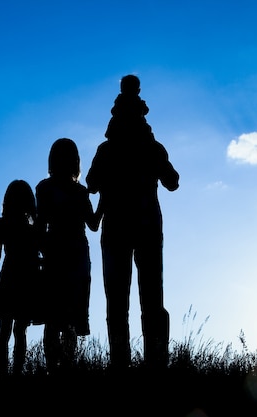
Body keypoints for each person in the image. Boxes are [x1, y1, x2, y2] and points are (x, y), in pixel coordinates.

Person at [85, 75, 180, 370]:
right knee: (151, 295)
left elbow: (91, 183)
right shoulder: (151, 147)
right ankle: (156, 361)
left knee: (117, 298)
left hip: (116, 226)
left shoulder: (107, 149)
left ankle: (121, 363)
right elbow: (173, 182)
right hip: (147, 223)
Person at [34, 138, 100, 374]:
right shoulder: (79, 191)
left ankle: (54, 367)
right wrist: (103, 199)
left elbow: (40, 226)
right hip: (75, 254)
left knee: (55, 316)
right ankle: (66, 367)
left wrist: (41, 253)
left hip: (56, 253)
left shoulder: (44, 188)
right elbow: (93, 224)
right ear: (76, 161)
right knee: (69, 315)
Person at [0, 179, 41, 377]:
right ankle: (16, 372)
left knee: (5, 330)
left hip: (9, 277)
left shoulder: (3, 224)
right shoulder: (33, 229)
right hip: (27, 279)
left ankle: (4, 374)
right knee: (20, 330)